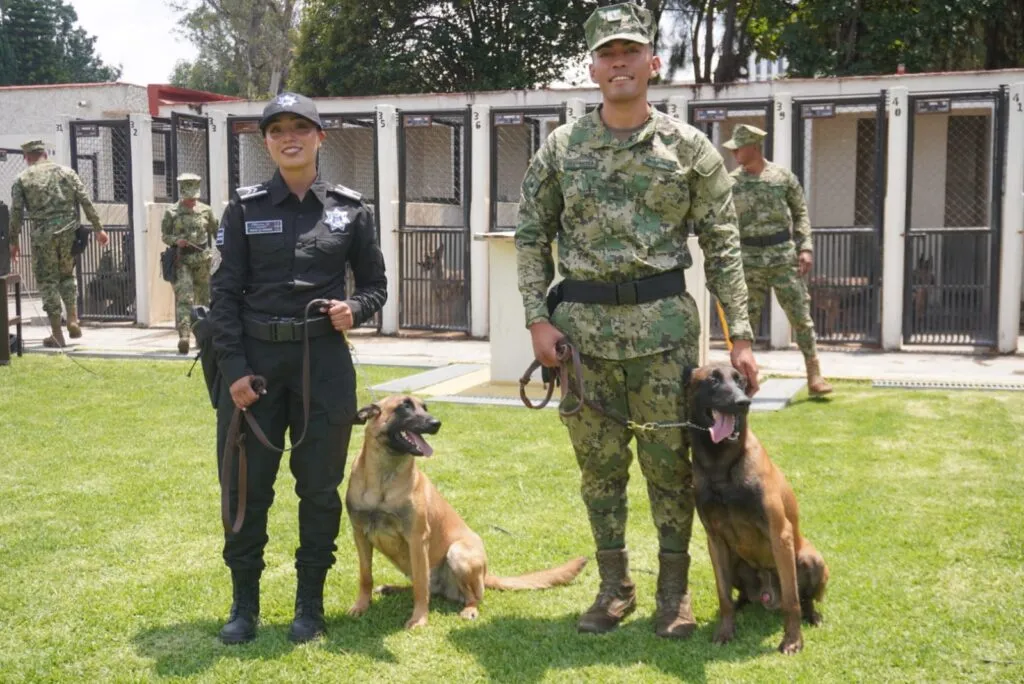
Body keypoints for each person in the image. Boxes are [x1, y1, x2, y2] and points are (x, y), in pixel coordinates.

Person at [515, 2, 759, 638]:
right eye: (606, 53)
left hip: (665, 338)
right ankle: (613, 587)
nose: (618, 62)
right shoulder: (561, 149)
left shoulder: (689, 148)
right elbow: (532, 235)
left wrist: (742, 336)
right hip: (582, 339)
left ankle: (673, 594)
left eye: (629, 52)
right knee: (599, 471)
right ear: (593, 68)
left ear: (653, 64)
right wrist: (538, 321)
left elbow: (723, 240)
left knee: (671, 466)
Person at [207, 92, 387, 645]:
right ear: (266, 142)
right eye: (278, 129)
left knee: (319, 489)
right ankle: (244, 606)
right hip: (255, 370)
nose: (290, 137)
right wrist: (234, 370)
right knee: (245, 489)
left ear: (319, 137)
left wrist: (353, 310)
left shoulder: (352, 209)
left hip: (324, 366)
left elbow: (376, 286)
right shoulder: (244, 208)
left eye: (301, 128)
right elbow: (224, 295)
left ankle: (309, 605)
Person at [723, 124, 833, 395]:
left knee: (800, 315)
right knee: (744, 322)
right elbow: (723, 220)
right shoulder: (731, 182)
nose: (735, 151)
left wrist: (805, 247)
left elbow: (800, 214)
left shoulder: (782, 177)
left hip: (783, 255)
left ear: (754, 146)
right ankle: (743, 380)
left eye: (739, 146)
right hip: (748, 258)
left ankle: (814, 373)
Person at [9, 140, 109, 346]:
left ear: (26, 157)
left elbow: (16, 213)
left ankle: (57, 333)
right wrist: (98, 228)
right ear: (45, 153)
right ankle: (72, 318)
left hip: (42, 235)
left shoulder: (22, 179)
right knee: (66, 276)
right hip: (68, 232)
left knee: (48, 282)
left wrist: (13, 241)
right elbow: (85, 200)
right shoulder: (67, 172)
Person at [161, 173, 218, 354]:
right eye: (188, 199)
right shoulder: (171, 212)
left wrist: (223, 253)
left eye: (194, 199)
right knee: (185, 297)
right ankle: (184, 336)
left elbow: (218, 233)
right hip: (182, 260)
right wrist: (176, 241)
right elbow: (165, 236)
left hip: (203, 261)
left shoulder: (206, 211)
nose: (192, 202)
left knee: (204, 300)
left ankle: (202, 338)